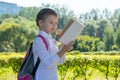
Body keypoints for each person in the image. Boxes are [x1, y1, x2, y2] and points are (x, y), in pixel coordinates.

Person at [32, 8, 73, 80]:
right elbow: (47, 63)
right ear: (41, 23)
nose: (54, 25)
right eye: (51, 22)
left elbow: (61, 61)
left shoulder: (52, 41)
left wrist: (63, 45)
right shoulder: (38, 41)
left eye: (56, 23)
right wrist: (63, 50)